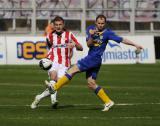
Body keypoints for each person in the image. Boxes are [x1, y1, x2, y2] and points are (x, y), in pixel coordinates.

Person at [45, 14, 143, 111]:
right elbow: (88, 44)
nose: (100, 25)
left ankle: (55, 87)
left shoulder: (108, 33)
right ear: (96, 23)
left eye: (102, 23)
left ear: (105, 23)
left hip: (94, 58)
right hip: (92, 58)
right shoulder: (90, 29)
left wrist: (135, 44)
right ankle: (108, 101)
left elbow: (122, 39)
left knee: (72, 70)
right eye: (99, 23)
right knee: (91, 83)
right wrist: (92, 35)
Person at [31, 16, 83, 109]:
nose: (58, 27)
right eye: (56, 25)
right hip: (53, 61)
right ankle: (53, 100)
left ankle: (39, 97)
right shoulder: (50, 36)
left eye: (60, 24)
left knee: (56, 85)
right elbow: (50, 47)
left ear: (63, 25)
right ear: (53, 26)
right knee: (53, 77)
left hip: (65, 64)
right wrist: (47, 60)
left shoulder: (69, 35)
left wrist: (74, 45)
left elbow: (81, 48)